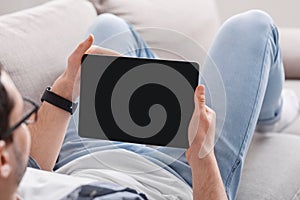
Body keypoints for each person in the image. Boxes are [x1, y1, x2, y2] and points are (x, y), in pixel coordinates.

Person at [0, 10, 298, 200]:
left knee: (108, 26)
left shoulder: (10, 180)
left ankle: (157, 100)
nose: (32, 117)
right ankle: (271, 116)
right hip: (179, 174)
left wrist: (66, 86)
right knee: (252, 26)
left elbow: (35, 166)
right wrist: (202, 153)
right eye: (25, 113)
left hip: (79, 155)